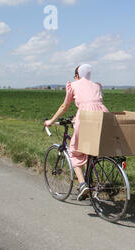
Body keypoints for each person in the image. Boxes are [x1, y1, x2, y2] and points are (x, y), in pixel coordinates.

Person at [44, 64, 109, 201]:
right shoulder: (97, 86)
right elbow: (94, 104)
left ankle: (83, 184)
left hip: (85, 119)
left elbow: (64, 106)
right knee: (89, 150)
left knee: (74, 151)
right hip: (102, 118)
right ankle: (92, 181)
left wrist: (51, 121)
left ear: (77, 75)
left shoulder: (73, 85)